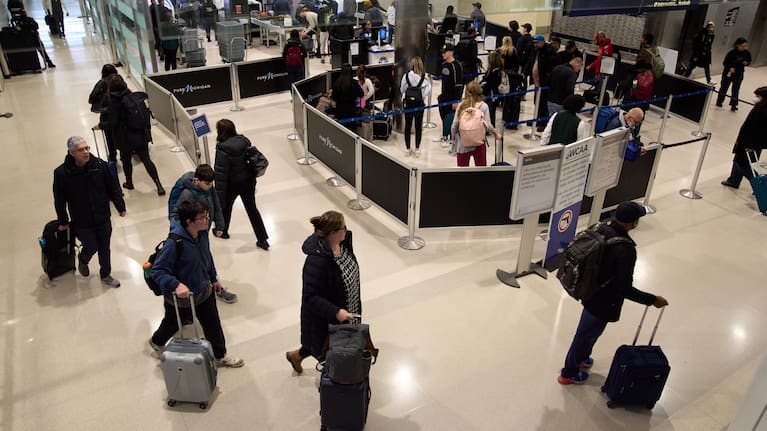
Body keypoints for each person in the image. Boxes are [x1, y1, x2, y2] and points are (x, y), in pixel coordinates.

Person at [558, 201, 669, 384]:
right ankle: (568, 373)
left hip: (589, 290)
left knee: (590, 333)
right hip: (603, 300)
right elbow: (623, 288)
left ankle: (583, 358)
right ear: (632, 223)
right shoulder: (625, 249)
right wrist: (651, 300)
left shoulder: (599, 228)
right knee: (585, 335)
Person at [148, 200, 245, 369]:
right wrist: (176, 285)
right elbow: (158, 271)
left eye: (207, 215)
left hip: (203, 291)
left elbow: (206, 257)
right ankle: (157, 341)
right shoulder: (174, 243)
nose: (207, 220)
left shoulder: (202, 234)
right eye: (202, 217)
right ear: (189, 222)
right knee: (172, 323)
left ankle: (220, 356)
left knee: (213, 325)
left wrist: (213, 278)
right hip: (181, 299)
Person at [285, 210, 360, 374]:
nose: (346, 230)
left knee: (321, 345)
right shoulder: (316, 261)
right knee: (330, 352)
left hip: (347, 308)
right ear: (333, 233)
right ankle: (331, 384)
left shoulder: (342, 244)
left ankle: (296, 356)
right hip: (327, 317)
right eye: (343, 227)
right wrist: (337, 312)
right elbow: (311, 297)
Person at [53, 136, 126, 288]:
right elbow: (60, 199)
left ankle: (105, 274)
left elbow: (112, 187)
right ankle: (84, 258)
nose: (86, 152)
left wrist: (120, 206)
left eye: (87, 148)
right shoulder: (62, 173)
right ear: (71, 152)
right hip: (81, 220)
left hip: (102, 216)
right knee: (91, 245)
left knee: (105, 247)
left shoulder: (100, 166)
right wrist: (63, 221)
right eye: (81, 150)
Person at [98, 75, 165, 195]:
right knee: (146, 160)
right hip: (140, 133)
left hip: (124, 138)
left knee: (127, 161)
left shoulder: (114, 103)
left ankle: (129, 183)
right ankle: (159, 185)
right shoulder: (133, 97)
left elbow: (112, 123)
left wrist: (101, 125)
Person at [213, 119, 271, 250]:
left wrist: (218, 193)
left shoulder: (222, 149)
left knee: (226, 208)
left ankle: (223, 231)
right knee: (252, 209)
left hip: (232, 184)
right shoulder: (244, 141)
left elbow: (221, 174)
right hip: (248, 181)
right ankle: (262, 240)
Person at [721, 86, 767, 190]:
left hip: (750, 143)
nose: (755, 98)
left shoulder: (762, 111)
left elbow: (755, 130)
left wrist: (750, 144)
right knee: (740, 161)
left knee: (745, 165)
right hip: (749, 141)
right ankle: (733, 180)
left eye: (758, 96)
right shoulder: (760, 107)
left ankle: (759, 187)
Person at [450, 81, 501, 167]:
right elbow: (488, 125)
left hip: (463, 144)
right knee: (481, 171)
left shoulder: (461, 105)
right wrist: (495, 134)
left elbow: (454, 125)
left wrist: (453, 138)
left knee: (462, 173)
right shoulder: (484, 106)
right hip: (479, 143)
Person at [400, 56, 431, 157]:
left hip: (408, 103)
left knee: (408, 126)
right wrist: (421, 96)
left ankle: (407, 148)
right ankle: (417, 149)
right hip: (419, 104)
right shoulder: (424, 77)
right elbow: (428, 90)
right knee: (418, 126)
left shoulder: (406, 76)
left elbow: (402, 88)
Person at [88, 64, 119, 164]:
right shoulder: (119, 79)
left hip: (106, 113)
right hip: (119, 111)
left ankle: (113, 156)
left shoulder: (102, 82)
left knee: (109, 136)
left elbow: (91, 98)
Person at [526, 34, 558, 132]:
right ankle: (536, 119)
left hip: (545, 83)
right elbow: (531, 61)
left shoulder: (549, 51)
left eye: (537, 43)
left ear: (542, 42)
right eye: (534, 43)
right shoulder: (536, 50)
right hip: (537, 82)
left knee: (544, 103)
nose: (535, 44)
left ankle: (543, 123)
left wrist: (548, 79)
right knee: (537, 101)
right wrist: (526, 72)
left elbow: (552, 66)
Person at [435, 44, 464, 146]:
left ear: (451, 52)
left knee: (450, 117)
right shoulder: (444, 65)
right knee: (443, 115)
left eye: (445, 52)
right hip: (444, 95)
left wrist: (457, 100)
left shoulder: (456, 66)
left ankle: (451, 138)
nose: (443, 54)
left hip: (453, 97)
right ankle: (444, 135)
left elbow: (459, 84)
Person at [716, 37, 751, 112]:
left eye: (745, 46)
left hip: (739, 73)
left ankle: (733, 105)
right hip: (729, 73)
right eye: (742, 46)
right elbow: (725, 63)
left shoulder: (747, 53)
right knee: (724, 87)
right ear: (738, 45)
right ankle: (719, 101)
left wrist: (746, 63)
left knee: (736, 89)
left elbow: (749, 61)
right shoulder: (731, 53)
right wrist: (730, 68)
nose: (744, 48)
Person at [332, 63, 365, 132]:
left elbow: (334, 97)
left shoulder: (337, 83)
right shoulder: (354, 83)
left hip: (339, 111)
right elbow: (361, 94)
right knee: (351, 132)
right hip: (351, 112)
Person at [481, 51, 505, 128]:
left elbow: (490, 84)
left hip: (491, 95)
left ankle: (489, 127)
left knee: (490, 111)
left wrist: (482, 86)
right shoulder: (494, 71)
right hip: (490, 94)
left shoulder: (495, 72)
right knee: (490, 111)